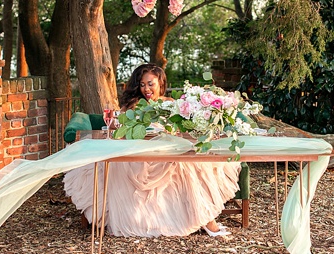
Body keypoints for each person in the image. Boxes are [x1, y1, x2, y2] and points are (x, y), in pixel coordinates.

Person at [63, 63, 241, 237]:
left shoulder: (171, 104)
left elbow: (181, 130)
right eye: (142, 84)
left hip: (167, 148)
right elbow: (120, 129)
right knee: (175, 165)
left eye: (150, 84)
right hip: (140, 151)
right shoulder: (133, 105)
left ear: (160, 83)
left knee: (189, 164)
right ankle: (198, 221)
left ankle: (207, 219)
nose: (146, 89)